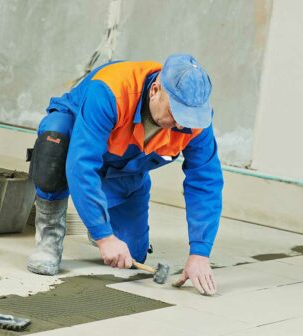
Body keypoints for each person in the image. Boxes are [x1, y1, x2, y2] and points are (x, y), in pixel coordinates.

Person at [27, 54, 223, 296]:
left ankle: (101, 216)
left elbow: (206, 182)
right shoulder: (111, 91)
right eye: (177, 113)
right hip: (78, 139)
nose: (183, 126)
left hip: (125, 170)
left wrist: (200, 253)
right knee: (54, 142)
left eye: (189, 118)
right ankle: (49, 235)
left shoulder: (196, 121)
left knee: (132, 254)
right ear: (155, 90)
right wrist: (104, 237)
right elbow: (82, 164)